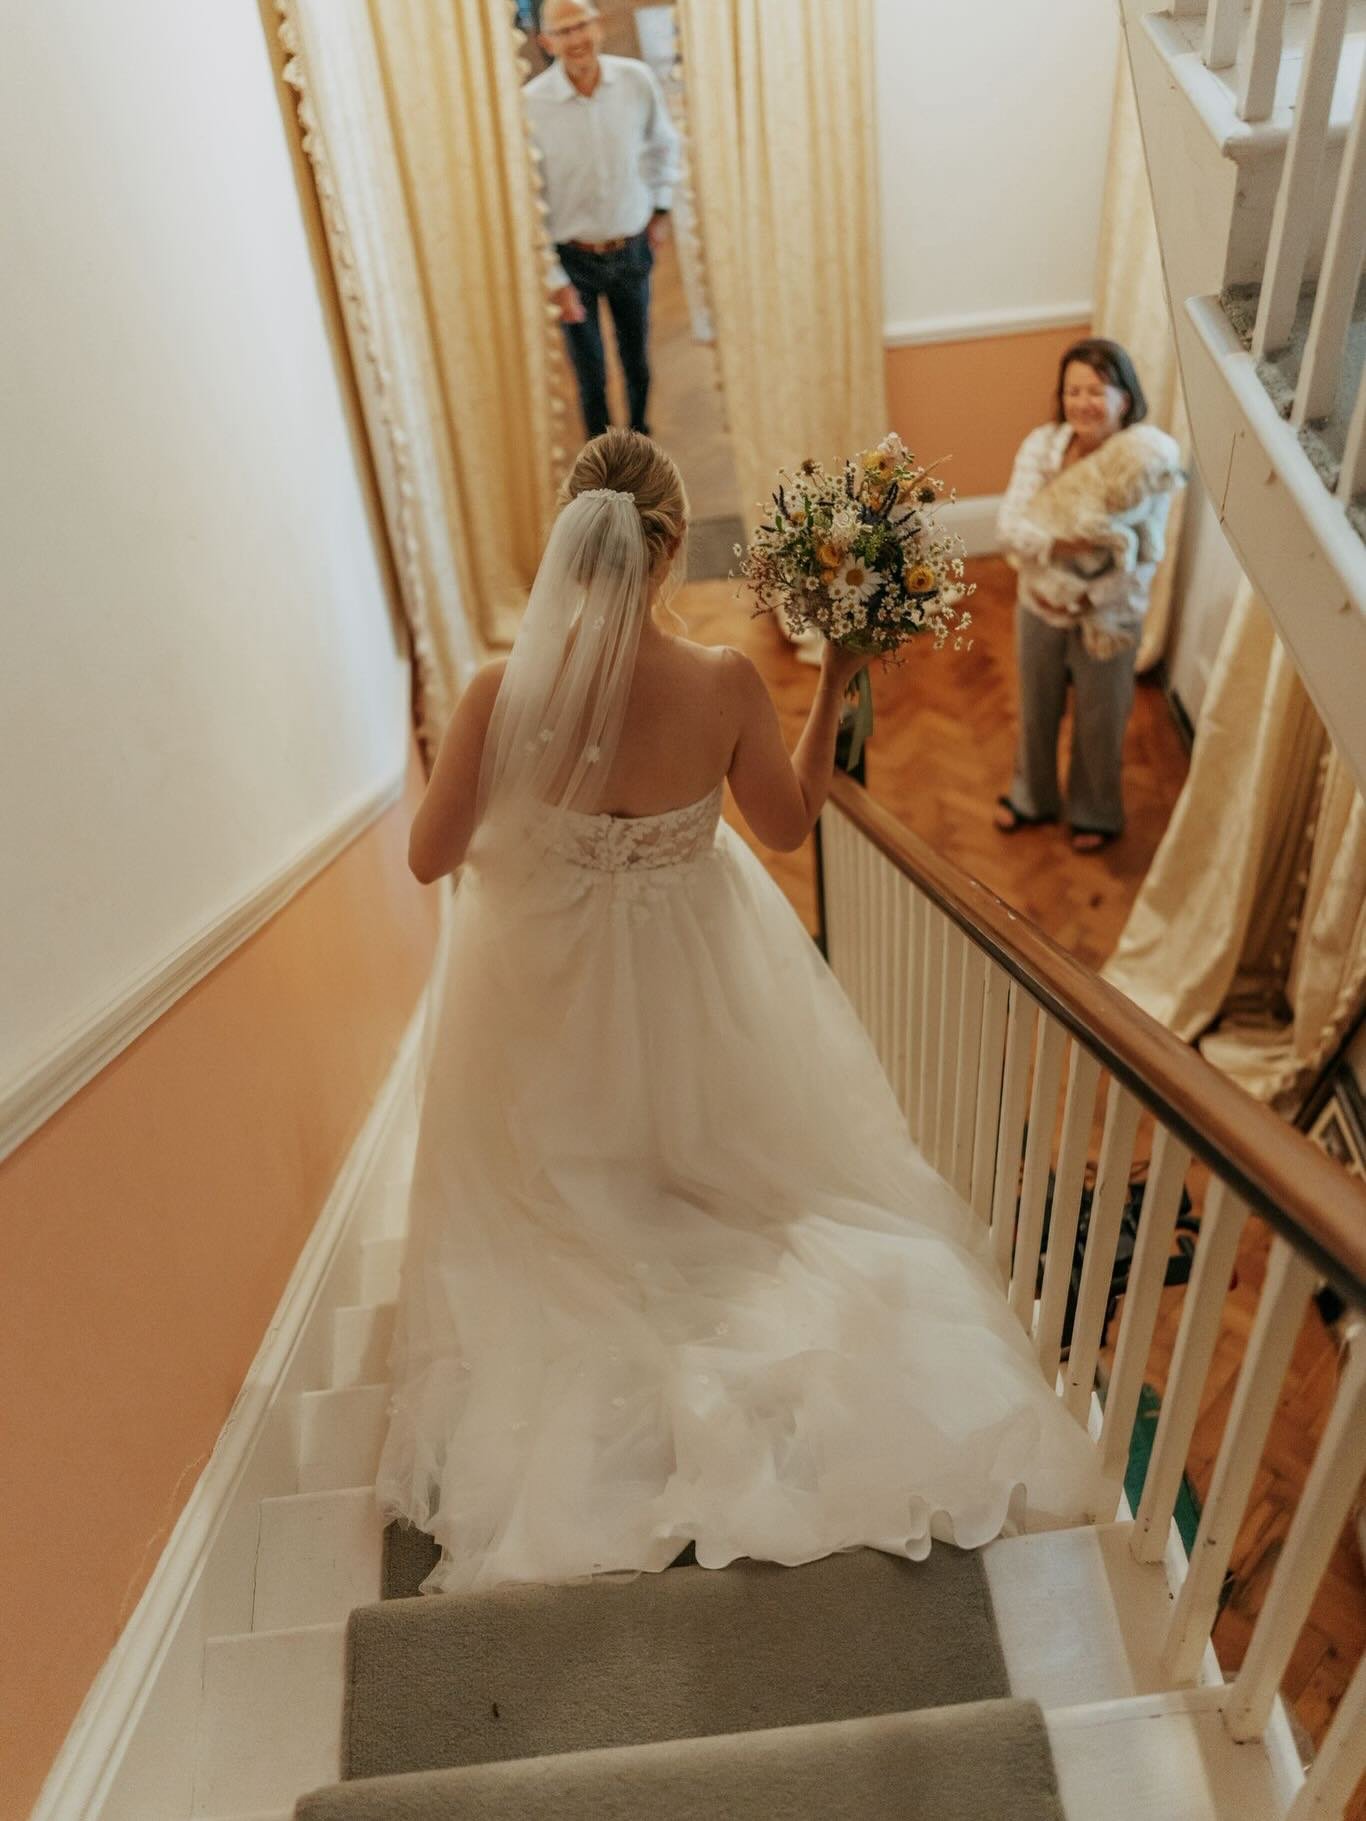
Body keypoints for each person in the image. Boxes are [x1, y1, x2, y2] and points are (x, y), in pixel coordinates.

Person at [376, 430, 1100, 1595]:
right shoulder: (720, 683)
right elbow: (787, 822)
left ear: (573, 537)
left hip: (550, 987)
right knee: (733, 1178)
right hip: (699, 978)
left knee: (574, 1182)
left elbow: (427, 859)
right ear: (667, 550)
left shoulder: (499, 693)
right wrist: (833, 679)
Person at [994, 338, 1172, 853]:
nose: (1082, 402)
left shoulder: (1146, 457)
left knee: (1103, 712)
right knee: (1035, 704)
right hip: (1039, 603)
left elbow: (1144, 556)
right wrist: (1068, 544)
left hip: (1112, 611)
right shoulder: (1043, 445)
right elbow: (1008, 529)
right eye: (1072, 390)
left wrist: (1088, 598)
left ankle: (1096, 811)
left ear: (1124, 397)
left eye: (1096, 390)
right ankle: (1032, 797)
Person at [523, 0, 681, 440]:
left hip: (631, 248)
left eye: (582, 25)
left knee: (638, 365)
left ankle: (640, 445)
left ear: (598, 26)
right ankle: (602, 464)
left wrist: (661, 211)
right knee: (591, 375)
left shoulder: (635, 80)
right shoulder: (530, 106)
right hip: (573, 260)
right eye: (564, 30)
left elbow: (662, 145)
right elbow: (528, 195)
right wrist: (554, 277)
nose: (576, 39)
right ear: (546, 42)